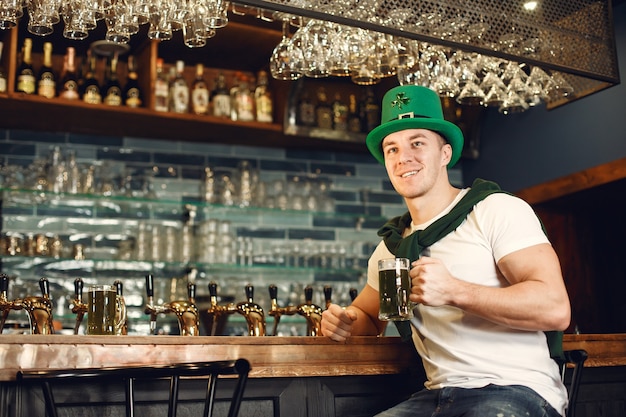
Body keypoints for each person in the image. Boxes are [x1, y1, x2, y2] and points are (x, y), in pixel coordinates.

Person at [320, 85, 572, 417]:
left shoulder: (494, 210)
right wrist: (344, 324)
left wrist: (455, 290)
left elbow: (554, 308)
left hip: (518, 388)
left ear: (445, 154)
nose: (403, 157)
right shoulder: (390, 248)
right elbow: (367, 316)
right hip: (437, 396)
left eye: (417, 143)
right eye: (391, 149)